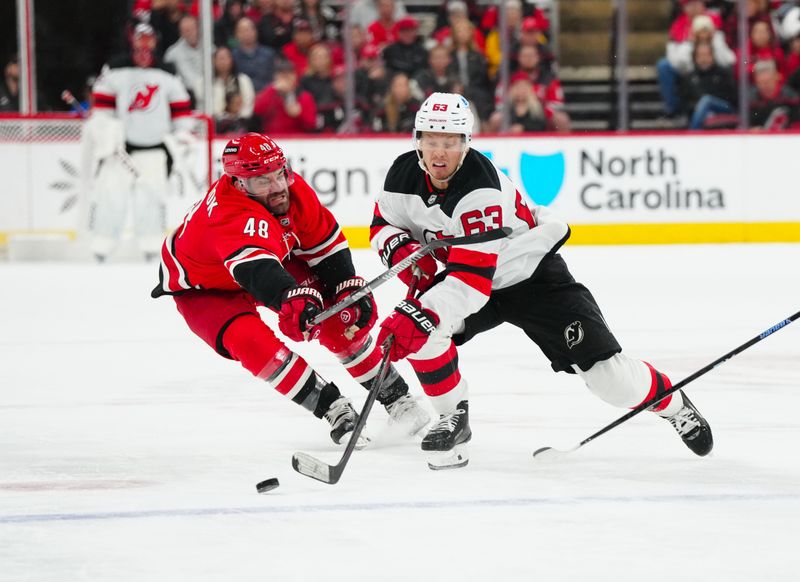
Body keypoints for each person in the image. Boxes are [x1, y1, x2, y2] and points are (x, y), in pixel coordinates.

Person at [370, 92, 714, 469]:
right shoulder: (401, 173)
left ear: (466, 143)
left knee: (609, 380)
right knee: (422, 334)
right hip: (469, 277)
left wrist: (423, 313)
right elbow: (382, 222)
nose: (439, 153)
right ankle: (454, 419)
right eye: (431, 141)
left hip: (530, 276)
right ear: (417, 141)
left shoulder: (480, 189)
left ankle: (673, 403)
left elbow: (472, 283)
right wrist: (399, 248)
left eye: (450, 142)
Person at [151, 133, 429, 447]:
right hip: (206, 287)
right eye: (262, 181)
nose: (278, 186)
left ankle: (398, 400)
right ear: (239, 183)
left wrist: (342, 286)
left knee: (338, 318)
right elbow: (258, 271)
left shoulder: (292, 189)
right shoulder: (230, 214)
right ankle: (334, 410)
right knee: (253, 344)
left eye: (279, 173)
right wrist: (289, 298)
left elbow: (325, 245)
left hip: (268, 261)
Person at [87, 23, 193, 262]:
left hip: (154, 151)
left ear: (155, 41)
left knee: (151, 200)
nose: (144, 44)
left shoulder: (167, 72)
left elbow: (181, 113)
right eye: (140, 39)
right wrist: (107, 135)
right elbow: (101, 111)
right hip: (120, 152)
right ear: (132, 40)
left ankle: (151, 248)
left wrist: (181, 137)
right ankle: (101, 247)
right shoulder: (115, 68)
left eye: (149, 39)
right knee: (110, 197)